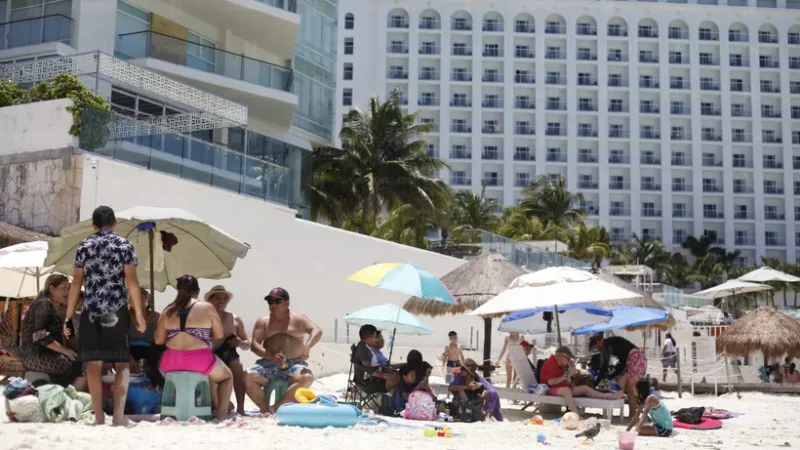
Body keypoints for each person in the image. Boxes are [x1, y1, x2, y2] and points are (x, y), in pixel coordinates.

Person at [64, 206, 146, 426]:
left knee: (93, 363)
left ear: (94, 225)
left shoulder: (84, 246)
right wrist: (139, 313)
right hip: (116, 310)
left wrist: (69, 316)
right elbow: (133, 283)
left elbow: (76, 284)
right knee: (122, 362)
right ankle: (118, 416)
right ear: (115, 223)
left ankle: (99, 416)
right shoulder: (124, 245)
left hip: (91, 311)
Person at [154, 275, 233, 421]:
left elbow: (158, 340)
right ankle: (221, 413)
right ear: (197, 291)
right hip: (199, 360)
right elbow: (219, 334)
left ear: (178, 290)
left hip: (170, 361)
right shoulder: (206, 307)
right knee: (227, 376)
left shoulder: (168, 310)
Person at [245, 287, 323, 414]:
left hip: (294, 364)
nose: (273, 305)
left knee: (307, 378)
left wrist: (307, 348)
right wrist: (270, 355)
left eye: (277, 301)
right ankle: (265, 410)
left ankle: (277, 407)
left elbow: (317, 331)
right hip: (269, 363)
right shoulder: (263, 321)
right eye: (270, 302)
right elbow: (254, 345)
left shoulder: (297, 318)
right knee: (248, 376)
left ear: (287, 303)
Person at [19, 274, 86, 389]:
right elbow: (39, 334)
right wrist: (65, 350)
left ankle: (68, 395)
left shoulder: (55, 307)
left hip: (45, 352)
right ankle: (68, 396)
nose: (67, 292)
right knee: (81, 365)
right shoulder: (43, 304)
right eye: (63, 288)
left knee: (82, 360)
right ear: (51, 289)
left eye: (68, 288)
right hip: (35, 355)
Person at [539, 346, 623, 420]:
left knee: (585, 388)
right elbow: (550, 382)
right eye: (568, 358)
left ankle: (607, 396)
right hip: (548, 389)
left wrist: (570, 371)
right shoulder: (550, 364)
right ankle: (577, 415)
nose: (568, 361)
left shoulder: (561, 365)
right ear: (560, 356)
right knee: (566, 390)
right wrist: (566, 376)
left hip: (561, 388)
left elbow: (566, 381)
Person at [205, 285, 250, 416]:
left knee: (238, 367)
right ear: (210, 300)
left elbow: (247, 344)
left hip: (229, 353)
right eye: (218, 297)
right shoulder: (204, 317)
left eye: (224, 298)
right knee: (211, 374)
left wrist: (240, 342)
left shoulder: (234, 319)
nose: (222, 300)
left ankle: (240, 408)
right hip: (211, 354)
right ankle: (219, 407)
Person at [589, 334, 647, 419]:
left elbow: (604, 366)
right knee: (632, 389)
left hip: (635, 358)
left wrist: (595, 384)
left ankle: (633, 416)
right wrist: (611, 376)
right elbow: (622, 364)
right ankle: (634, 415)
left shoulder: (606, 344)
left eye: (595, 347)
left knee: (631, 390)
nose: (597, 350)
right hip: (639, 358)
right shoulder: (612, 343)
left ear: (598, 342)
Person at [129, 287, 165, 388]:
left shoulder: (156, 316)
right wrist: (130, 358)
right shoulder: (126, 315)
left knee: (150, 366)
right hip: (129, 351)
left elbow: (161, 338)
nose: (138, 300)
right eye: (133, 297)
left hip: (150, 352)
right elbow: (121, 339)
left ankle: (160, 389)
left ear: (148, 299)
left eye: (141, 297)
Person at [352, 324, 399, 391]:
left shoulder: (364, 347)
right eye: (374, 337)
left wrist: (386, 369)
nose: (376, 339)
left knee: (398, 376)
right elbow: (369, 370)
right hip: (367, 383)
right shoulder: (364, 350)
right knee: (397, 379)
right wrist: (384, 375)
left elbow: (373, 366)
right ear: (369, 339)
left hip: (373, 378)